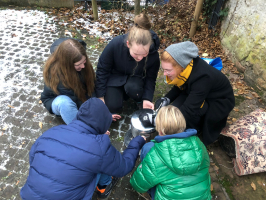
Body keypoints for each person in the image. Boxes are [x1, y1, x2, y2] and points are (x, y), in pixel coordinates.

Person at [20, 98, 146, 200]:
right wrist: (138, 140)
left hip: (29, 196)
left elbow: (33, 158)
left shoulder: (50, 133)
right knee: (103, 162)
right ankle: (104, 187)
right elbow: (124, 167)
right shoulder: (99, 147)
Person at [154, 41, 235, 145]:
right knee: (176, 108)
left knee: (187, 119)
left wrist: (166, 122)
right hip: (200, 93)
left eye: (168, 70)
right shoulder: (187, 67)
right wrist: (167, 98)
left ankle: (194, 131)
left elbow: (189, 109)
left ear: (180, 67)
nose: (164, 74)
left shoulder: (203, 78)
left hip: (219, 101)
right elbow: (180, 87)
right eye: (163, 69)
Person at [130, 105, 211, 200]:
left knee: (148, 148)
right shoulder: (199, 145)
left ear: (160, 131)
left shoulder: (155, 153)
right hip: (202, 197)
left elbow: (138, 185)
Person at [95, 13, 160, 116]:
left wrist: (147, 98)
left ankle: (138, 100)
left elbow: (151, 78)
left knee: (134, 89)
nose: (140, 58)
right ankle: (121, 95)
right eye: (136, 54)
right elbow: (102, 70)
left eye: (144, 54)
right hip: (115, 78)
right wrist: (100, 97)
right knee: (112, 106)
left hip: (136, 80)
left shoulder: (154, 55)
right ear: (128, 44)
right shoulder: (115, 44)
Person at [40, 38, 95, 124]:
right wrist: (92, 122)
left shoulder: (79, 56)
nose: (83, 66)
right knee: (64, 103)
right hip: (60, 101)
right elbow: (76, 99)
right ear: (67, 65)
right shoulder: (55, 74)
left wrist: (101, 113)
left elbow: (92, 87)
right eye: (78, 64)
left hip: (79, 99)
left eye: (84, 61)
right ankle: (80, 130)